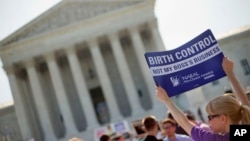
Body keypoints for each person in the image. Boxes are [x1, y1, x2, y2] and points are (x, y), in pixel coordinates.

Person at [155, 57, 250, 141]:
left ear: (222, 118)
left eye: (210, 117)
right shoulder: (243, 131)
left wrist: (166, 101)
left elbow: (184, 122)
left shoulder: (214, 139)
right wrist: (230, 73)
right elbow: (244, 102)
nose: (208, 121)